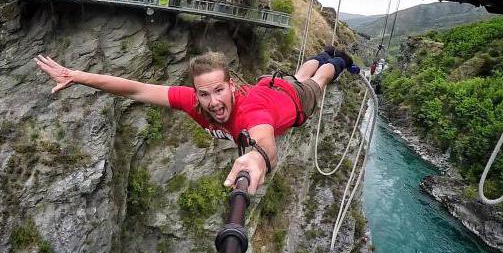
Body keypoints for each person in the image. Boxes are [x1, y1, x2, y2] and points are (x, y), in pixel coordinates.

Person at [34, 48, 358, 194]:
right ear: (196, 93)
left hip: (293, 100)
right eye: (205, 94)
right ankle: (323, 54)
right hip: (271, 83)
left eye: (219, 91)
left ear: (231, 86)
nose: (213, 102)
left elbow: (266, 146)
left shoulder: (251, 112)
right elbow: (135, 89)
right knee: (297, 73)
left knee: (317, 80)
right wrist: (77, 76)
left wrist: (259, 159)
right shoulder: (193, 100)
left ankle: (337, 58)